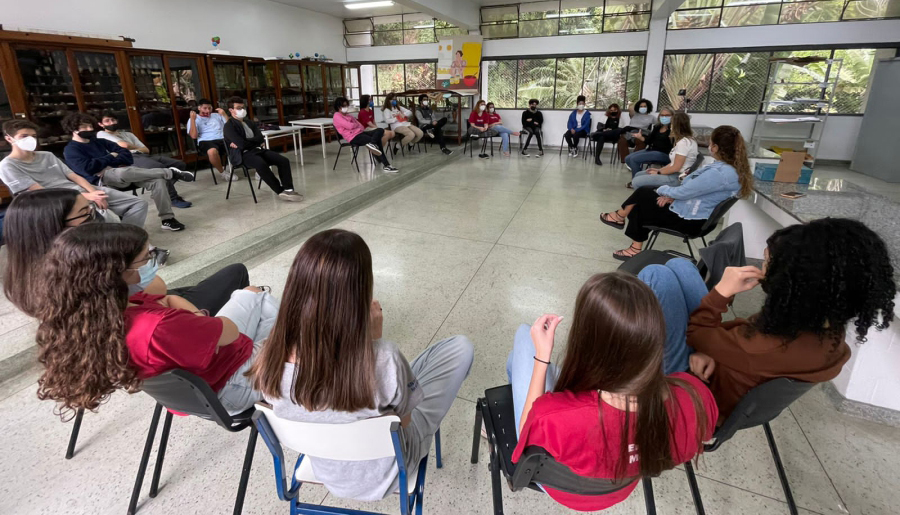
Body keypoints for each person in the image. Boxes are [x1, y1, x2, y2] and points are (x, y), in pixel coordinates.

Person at [249, 229, 474, 501]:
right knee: (460, 347)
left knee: (403, 378)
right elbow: (404, 421)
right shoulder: (385, 357)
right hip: (395, 470)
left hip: (326, 468)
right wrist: (373, 342)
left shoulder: (268, 357)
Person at [639, 218, 894, 421]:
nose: (762, 267)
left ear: (796, 284)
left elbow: (697, 334)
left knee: (656, 274)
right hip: (723, 366)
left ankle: (630, 354)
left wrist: (721, 293)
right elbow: (735, 344)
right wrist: (712, 349)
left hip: (695, 391)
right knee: (681, 266)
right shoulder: (827, 330)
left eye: (768, 263)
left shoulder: (761, 347)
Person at [507, 272, 716, 511]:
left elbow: (525, 444)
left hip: (560, 488)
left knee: (524, 336)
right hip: (620, 488)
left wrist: (542, 358)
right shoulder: (695, 399)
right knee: (523, 361)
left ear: (586, 340)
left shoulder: (552, 415)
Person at [32, 223, 277, 418]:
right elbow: (229, 332)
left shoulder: (98, 312)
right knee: (296, 327)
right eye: (145, 257)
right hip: (231, 385)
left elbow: (169, 298)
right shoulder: (158, 325)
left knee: (254, 295)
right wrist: (199, 323)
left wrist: (198, 325)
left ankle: (278, 374)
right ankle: (281, 386)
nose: (152, 261)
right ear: (117, 272)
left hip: (207, 377)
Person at [1, 188, 250, 318]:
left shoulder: (26, 275)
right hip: (157, 315)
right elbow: (158, 290)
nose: (95, 217)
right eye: (86, 214)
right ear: (54, 227)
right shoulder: (89, 267)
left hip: (148, 310)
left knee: (198, 288)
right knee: (237, 276)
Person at [600, 125, 752, 260]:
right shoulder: (730, 169)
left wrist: (663, 191)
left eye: (711, 143)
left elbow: (685, 190)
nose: (709, 145)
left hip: (691, 222)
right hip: (696, 215)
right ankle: (625, 228)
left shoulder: (719, 173)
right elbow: (698, 193)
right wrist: (673, 198)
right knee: (643, 199)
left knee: (643, 195)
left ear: (716, 148)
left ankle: (621, 219)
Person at [0, 120, 148, 228]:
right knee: (108, 218)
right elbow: (41, 193)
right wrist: (85, 197)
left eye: (33, 136)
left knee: (138, 204)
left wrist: (93, 191)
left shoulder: (47, 155)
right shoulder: (7, 165)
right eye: (24, 136)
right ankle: (122, 244)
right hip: (57, 202)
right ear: (9, 138)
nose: (30, 139)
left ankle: (128, 240)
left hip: (81, 191)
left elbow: (73, 176)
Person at [62, 113, 192, 232]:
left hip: (124, 172)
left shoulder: (100, 142)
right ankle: (169, 172)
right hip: (101, 180)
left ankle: (167, 219)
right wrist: (110, 156)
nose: (89, 129)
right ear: (73, 129)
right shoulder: (71, 150)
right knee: (120, 173)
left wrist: (107, 161)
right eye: (84, 127)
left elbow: (127, 156)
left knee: (157, 181)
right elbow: (87, 169)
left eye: (90, 126)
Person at [97, 111, 192, 208]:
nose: (111, 123)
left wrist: (132, 147)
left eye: (113, 120)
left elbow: (146, 150)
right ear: (101, 124)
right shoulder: (101, 134)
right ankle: (172, 198)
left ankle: (158, 191)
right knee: (159, 167)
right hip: (127, 158)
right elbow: (124, 145)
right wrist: (135, 147)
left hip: (142, 155)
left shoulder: (128, 134)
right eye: (107, 121)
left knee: (179, 165)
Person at [223, 96, 303, 202]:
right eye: (238, 108)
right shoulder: (229, 126)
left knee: (283, 160)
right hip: (242, 154)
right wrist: (250, 142)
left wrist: (246, 141)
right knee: (261, 164)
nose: (242, 110)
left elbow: (260, 138)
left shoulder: (249, 122)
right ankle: (280, 191)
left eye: (243, 107)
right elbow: (242, 145)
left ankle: (288, 189)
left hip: (257, 150)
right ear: (231, 110)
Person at [631, 112, 698, 190]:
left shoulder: (684, 143)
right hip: (674, 173)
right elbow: (673, 164)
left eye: (672, 124)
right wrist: (659, 170)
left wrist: (659, 172)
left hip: (677, 177)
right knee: (638, 174)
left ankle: (647, 197)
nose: (671, 127)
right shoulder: (684, 140)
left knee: (636, 181)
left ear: (677, 126)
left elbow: (676, 167)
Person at [332, 97, 399, 173]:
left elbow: (361, 126)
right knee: (377, 141)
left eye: (347, 105)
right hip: (353, 137)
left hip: (360, 133)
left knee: (380, 130)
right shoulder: (337, 116)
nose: (346, 107)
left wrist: (354, 125)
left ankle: (373, 145)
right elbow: (349, 126)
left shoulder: (349, 115)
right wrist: (355, 125)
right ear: (338, 107)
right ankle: (386, 165)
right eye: (344, 106)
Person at [624, 106, 676, 184]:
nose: (664, 117)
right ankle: (640, 178)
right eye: (662, 115)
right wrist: (641, 137)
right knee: (628, 158)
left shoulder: (673, 129)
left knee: (634, 159)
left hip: (664, 153)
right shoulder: (657, 127)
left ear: (672, 116)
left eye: (667, 115)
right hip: (652, 150)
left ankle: (635, 182)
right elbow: (649, 141)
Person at [187, 98, 235, 182]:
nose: (208, 111)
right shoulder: (194, 119)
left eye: (209, 108)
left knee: (238, 144)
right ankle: (223, 172)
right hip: (206, 141)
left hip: (223, 139)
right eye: (205, 108)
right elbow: (194, 136)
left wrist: (224, 114)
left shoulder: (217, 115)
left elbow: (230, 127)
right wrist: (193, 120)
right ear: (199, 108)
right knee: (212, 152)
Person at [616, 98, 657, 163]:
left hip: (641, 133)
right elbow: (631, 108)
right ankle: (626, 160)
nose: (643, 108)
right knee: (622, 140)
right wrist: (638, 103)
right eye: (641, 106)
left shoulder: (651, 117)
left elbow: (659, 123)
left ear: (648, 107)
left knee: (641, 142)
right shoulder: (634, 114)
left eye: (645, 106)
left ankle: (633, 159)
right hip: (630, 132)